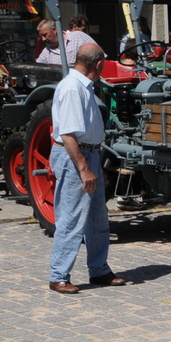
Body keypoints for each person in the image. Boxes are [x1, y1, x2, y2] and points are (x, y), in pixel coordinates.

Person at [45, 44, 124, 293]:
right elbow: (67, 135)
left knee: (97, 218)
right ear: (97, 65)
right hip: (77, 155)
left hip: (89, 153)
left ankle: (99, 270)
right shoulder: (72, 88)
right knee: (71, 218)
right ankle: (58, 275)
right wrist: (83, 168)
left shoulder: (82, 86)